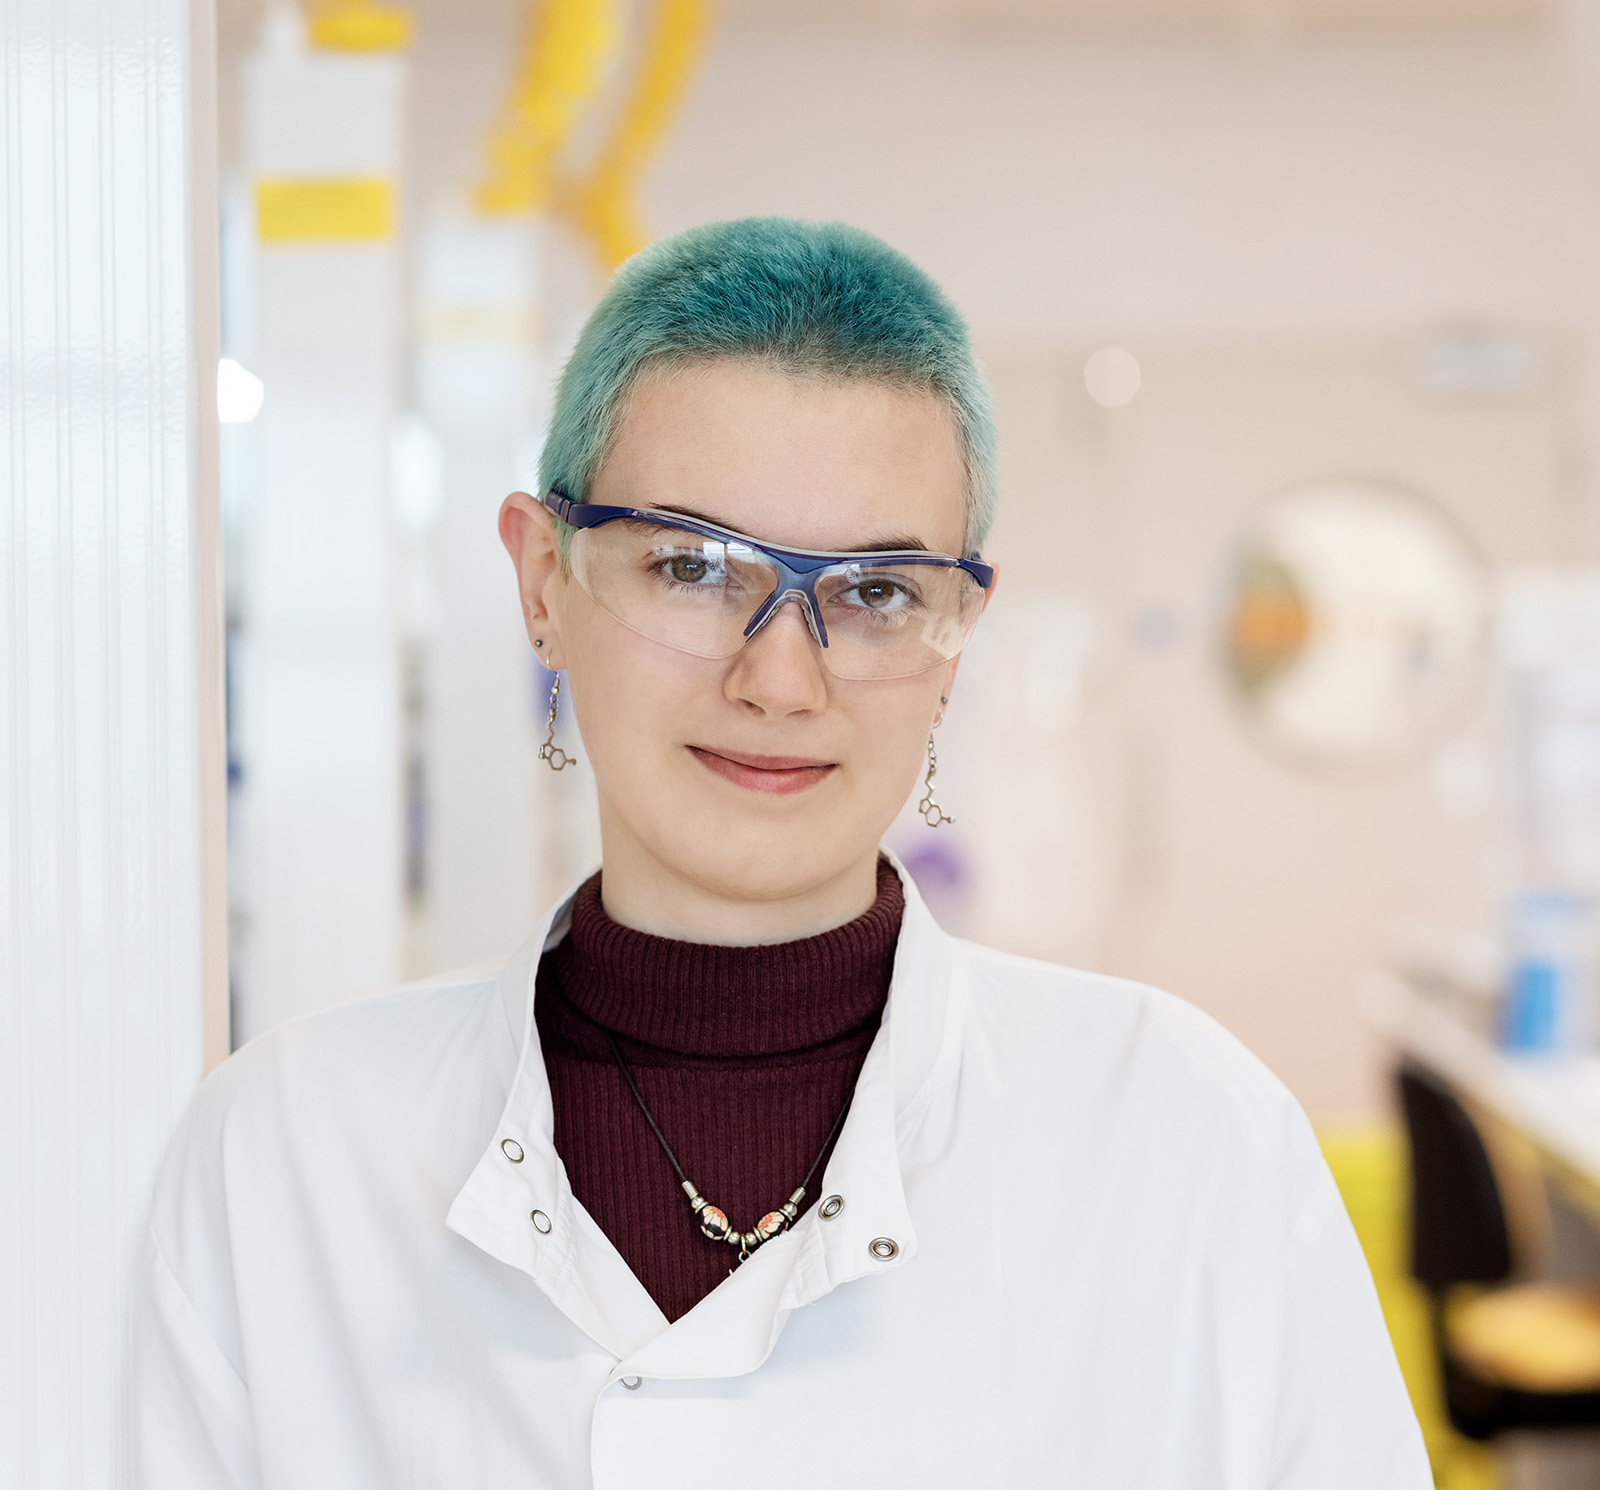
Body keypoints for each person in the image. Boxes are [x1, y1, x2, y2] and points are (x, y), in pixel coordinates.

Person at [137, 218, 1429, 1488]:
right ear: (542, 581)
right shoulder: (290, 1153)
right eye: (693, 566)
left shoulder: (1189, 1139)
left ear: (956, 635)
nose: (780, 679)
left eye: (876, 592)